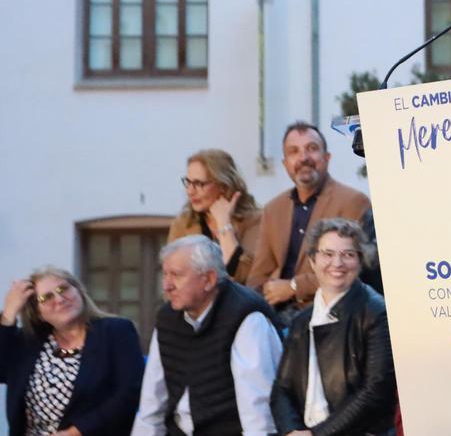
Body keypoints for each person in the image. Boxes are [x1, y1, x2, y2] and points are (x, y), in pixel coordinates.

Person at [132, 236, 283, 436]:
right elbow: (151, 408)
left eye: (176, 275)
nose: (167, 286)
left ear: (209, 279)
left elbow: (258, 414)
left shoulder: (247, 318)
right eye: (165, 274)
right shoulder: (167, 318)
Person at [271, 218, 396, 435]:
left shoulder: (376, 312)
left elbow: (375, 391)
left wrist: (317, 434)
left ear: (360, 260)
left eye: (348, 254)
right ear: (312, 260)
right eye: (327, 254)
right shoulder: (303, 321)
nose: (337, 263)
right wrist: (292, 431)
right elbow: (282, 388)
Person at [248, 122, 371, 319]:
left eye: (312, 149)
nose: (303, 158)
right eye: (294, 152)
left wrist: (293, 287)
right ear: (285, 163)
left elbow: (357, 270)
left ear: (327, 157)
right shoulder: (273, 208)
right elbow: (257, 276)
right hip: (275, 314)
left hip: (329, 315)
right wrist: (268, 291)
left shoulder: (353, 202)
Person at [0, 267, 143, 436]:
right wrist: (9, 313)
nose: (59, 299)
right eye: (47, 297)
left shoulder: (116, 331)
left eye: (63, 289)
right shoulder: (29, 341)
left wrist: (75, 432)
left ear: (79, 291)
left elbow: (130, 393)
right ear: (38, 313)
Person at [169, 148, 263, 284]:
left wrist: (224, 224)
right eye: (188, 182)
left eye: (198, 184)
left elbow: (244, 276)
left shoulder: (255, 220)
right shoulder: (182, 224)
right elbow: (172, 278)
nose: (190, 191)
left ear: (223, 185)